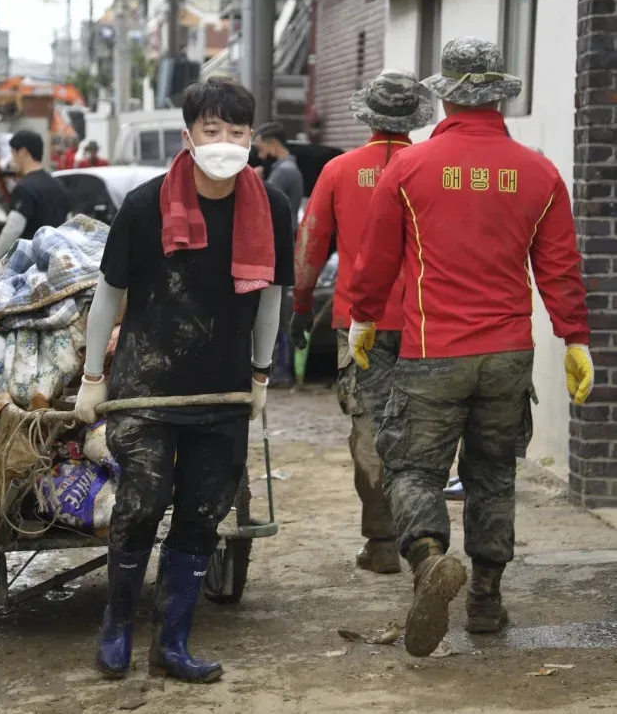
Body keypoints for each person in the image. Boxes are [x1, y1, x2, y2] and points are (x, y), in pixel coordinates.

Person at [347, 37, 592, 657]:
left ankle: (430, 559)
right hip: (509, 354)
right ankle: (485, 598)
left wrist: (363, 319)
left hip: (433, 351)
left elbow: (374, 262)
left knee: (412, 469)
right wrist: (575, 338)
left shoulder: (408, 168)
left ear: (447, 92)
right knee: (492, 477)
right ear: (499, 95)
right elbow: (560, 268)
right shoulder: (537, 172)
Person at [74, 78, 294, 683]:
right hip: (149, 387)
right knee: (142, 505)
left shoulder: (271, 207)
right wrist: (95, 378)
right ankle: (117, 628)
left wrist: (260, 373)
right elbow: (107, 297)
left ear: (253, 137)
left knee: (202, 514)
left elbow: (272, 298)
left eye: (238, 132)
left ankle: (172, 642)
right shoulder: (146, 205)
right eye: (213, 131)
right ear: (189, 135)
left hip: (221, 389)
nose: (226, 142)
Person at [291, 70, 433, 575]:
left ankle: (380, 543)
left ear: (367, 116)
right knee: (421, 431)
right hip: (426, 323)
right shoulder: (433, 168)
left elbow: (310, 245)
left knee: (369, 428)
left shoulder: (339, 170)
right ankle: (424, 543)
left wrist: (302, 306)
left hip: (359, 324)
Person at [253, 122, 304, 387]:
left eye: (259, 144)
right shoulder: (290, 169)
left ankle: (280, 369)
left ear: (272, 143)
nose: (257, 150)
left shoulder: (283, 172)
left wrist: (256, 178)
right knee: (280, 307)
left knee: (275, 310)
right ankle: (281, 368)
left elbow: (260, 202)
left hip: (275, 247)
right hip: (284, 244)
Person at [0, 130, 72, 264]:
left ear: (23, 152)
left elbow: (13, 228)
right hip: (57, 262)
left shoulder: (24, 189)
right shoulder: (59, 186)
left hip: (30, 266)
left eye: (13, 153)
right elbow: (68, 223)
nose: (12, 158)